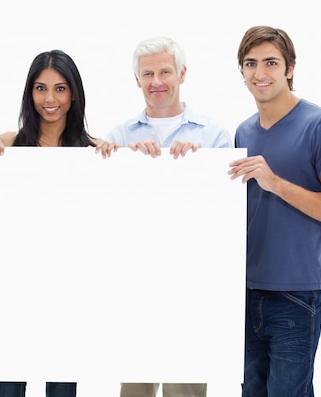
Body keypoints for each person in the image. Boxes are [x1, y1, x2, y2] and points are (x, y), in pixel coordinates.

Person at [228, 26, 321, 397]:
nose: (260, 73)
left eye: (271, 62)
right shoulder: (243, 132)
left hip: (296, 293)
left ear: (290, 68)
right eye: (250, 63)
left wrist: (276, 182)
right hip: (244, 290)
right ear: (242, 72)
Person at [103, 36, 231, 397]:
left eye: (164, 71)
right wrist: (124, 158)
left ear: (182, 73)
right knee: (135, 391)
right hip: (134, 286)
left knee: (184, 392)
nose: (156, 81)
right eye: (148, 74)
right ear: (136, 80)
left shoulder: (214, 135)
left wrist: (201, 165)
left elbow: (226, 215)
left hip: (191, 287)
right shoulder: (118, 136)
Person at [0, 49, 105, 397]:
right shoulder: (8, 144)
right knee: (9, 388)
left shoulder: (94, 150)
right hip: (13, 289)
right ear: (29, 93)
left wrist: (121, 158)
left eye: (60, 89)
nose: (50, 99)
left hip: (69, 292)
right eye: (41, 88)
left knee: (61, 390)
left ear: (74, 93)